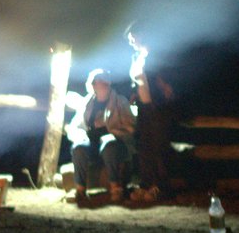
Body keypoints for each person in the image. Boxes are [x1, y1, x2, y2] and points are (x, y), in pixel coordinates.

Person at [67, 68, 136, 202]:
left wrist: (114, 133)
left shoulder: (120, 102)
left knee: (108, 143)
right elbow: (76, 126)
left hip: (116, 144)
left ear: (107, 83)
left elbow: (130, 126)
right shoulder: (87, 102)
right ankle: (80, 190)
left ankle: (115, 188)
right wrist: (81, 135)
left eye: (100, 81)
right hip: (93, 143)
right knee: (79, 147)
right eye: (94, 82)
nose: (96, 84)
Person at [129, 58, 179, 203]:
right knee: (145, 147)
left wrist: (166, 89)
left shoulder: (164, 64)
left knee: (157, 146)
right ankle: (146, 185)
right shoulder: (142, 63)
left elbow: (169, 94)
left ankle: (159, 187)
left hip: (162, 112)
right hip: (148, 111)